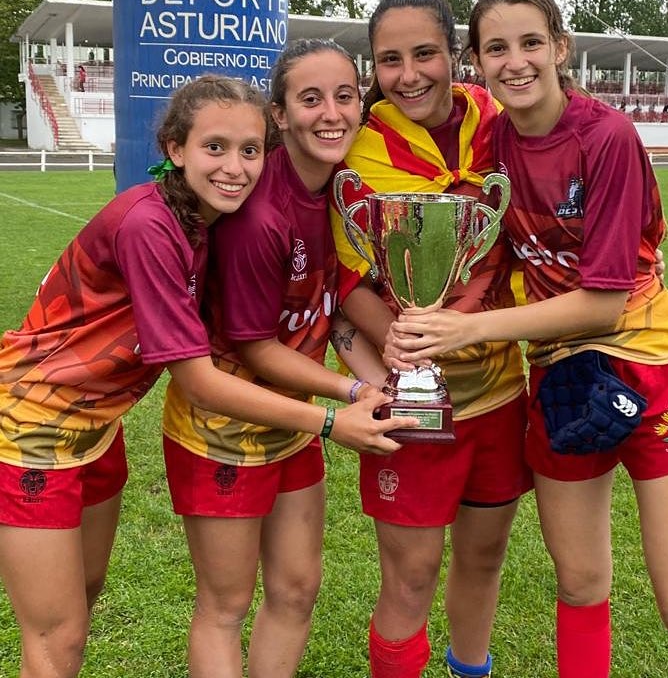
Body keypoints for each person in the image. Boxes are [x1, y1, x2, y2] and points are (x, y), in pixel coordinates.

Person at [387, 0, 668, 678]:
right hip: (559, 380)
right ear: (477, 66)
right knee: (578, 585)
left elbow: (602, 302)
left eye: (528, 43)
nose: (514, 61)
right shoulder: (490, 139)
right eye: (495, 49)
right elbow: (475, 240)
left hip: (654, 367)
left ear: (559, 47)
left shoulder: (605, 135)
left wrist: (465, 333)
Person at [0, 74, 408, 678]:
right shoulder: (148, 225)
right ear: (175, 148)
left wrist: (363, 381)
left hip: (97, 429)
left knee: (84, 597)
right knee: (58, 636)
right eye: (214, 147)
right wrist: (331, 418)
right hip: (30, 429)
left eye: (249, 151)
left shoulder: (207, 220)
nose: (235, 168)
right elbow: (198, 378)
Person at [162, 41, 414, 678]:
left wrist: (392, 383)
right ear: (279, 116)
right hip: (224, 427)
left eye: (345, 96)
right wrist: (350, 397)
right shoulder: (260, 214)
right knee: (225, 605)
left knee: (296, 591)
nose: (331, 113)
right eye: (310, 99)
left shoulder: (335, 189)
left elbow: (324, 312)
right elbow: (256, 345)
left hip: (292, 424)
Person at [330, 0, 532, 678]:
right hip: (411, 397)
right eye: (390, 59)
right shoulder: (358, 150)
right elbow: (347, 274)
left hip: (500, 390)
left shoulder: (501, 122)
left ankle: (467, 667)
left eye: (424, 53)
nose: (408, 74)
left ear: (454, 54)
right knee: (410, 576)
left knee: (482, 557)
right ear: (373, 68)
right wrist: (404, 348)